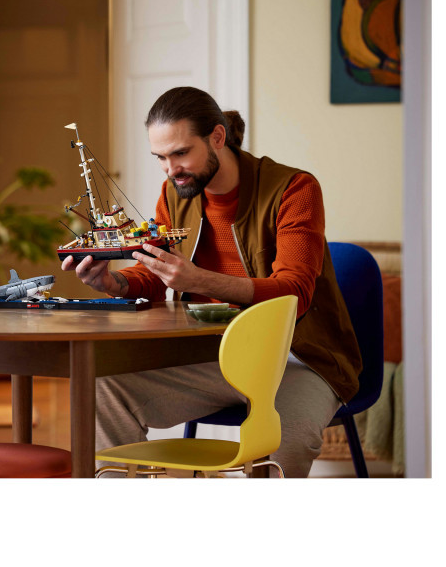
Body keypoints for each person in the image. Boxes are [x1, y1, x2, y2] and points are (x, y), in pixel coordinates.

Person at [61, 86, 362, 477]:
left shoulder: (294, 189)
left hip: (297, 359)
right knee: (102, 390)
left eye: (181, 153)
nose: (171, 169)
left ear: (217, 137)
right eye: (160, 158)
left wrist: (199, 279)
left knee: (284, 440)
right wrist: (112, 283)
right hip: (211, 355)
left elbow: (295, 293)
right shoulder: (174, 194)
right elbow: (156, 272)